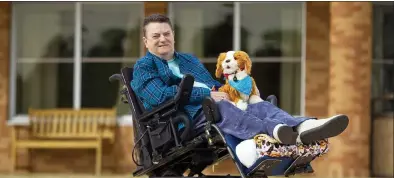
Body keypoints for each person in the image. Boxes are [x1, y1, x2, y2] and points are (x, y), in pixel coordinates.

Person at [131, 14, 349, 146]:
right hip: (184, 120)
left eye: (166, 33)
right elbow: (159, 97)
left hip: (213, 107)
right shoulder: (144, 67)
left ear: (173, 35)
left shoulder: (188, 60)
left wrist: (239, 89)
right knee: (224, 108)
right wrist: (207, 95)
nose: (163, 39)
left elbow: (215, 86)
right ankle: (277, 132)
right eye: (156, 36)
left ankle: (305, 126)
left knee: (256, 103)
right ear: (145, 41)